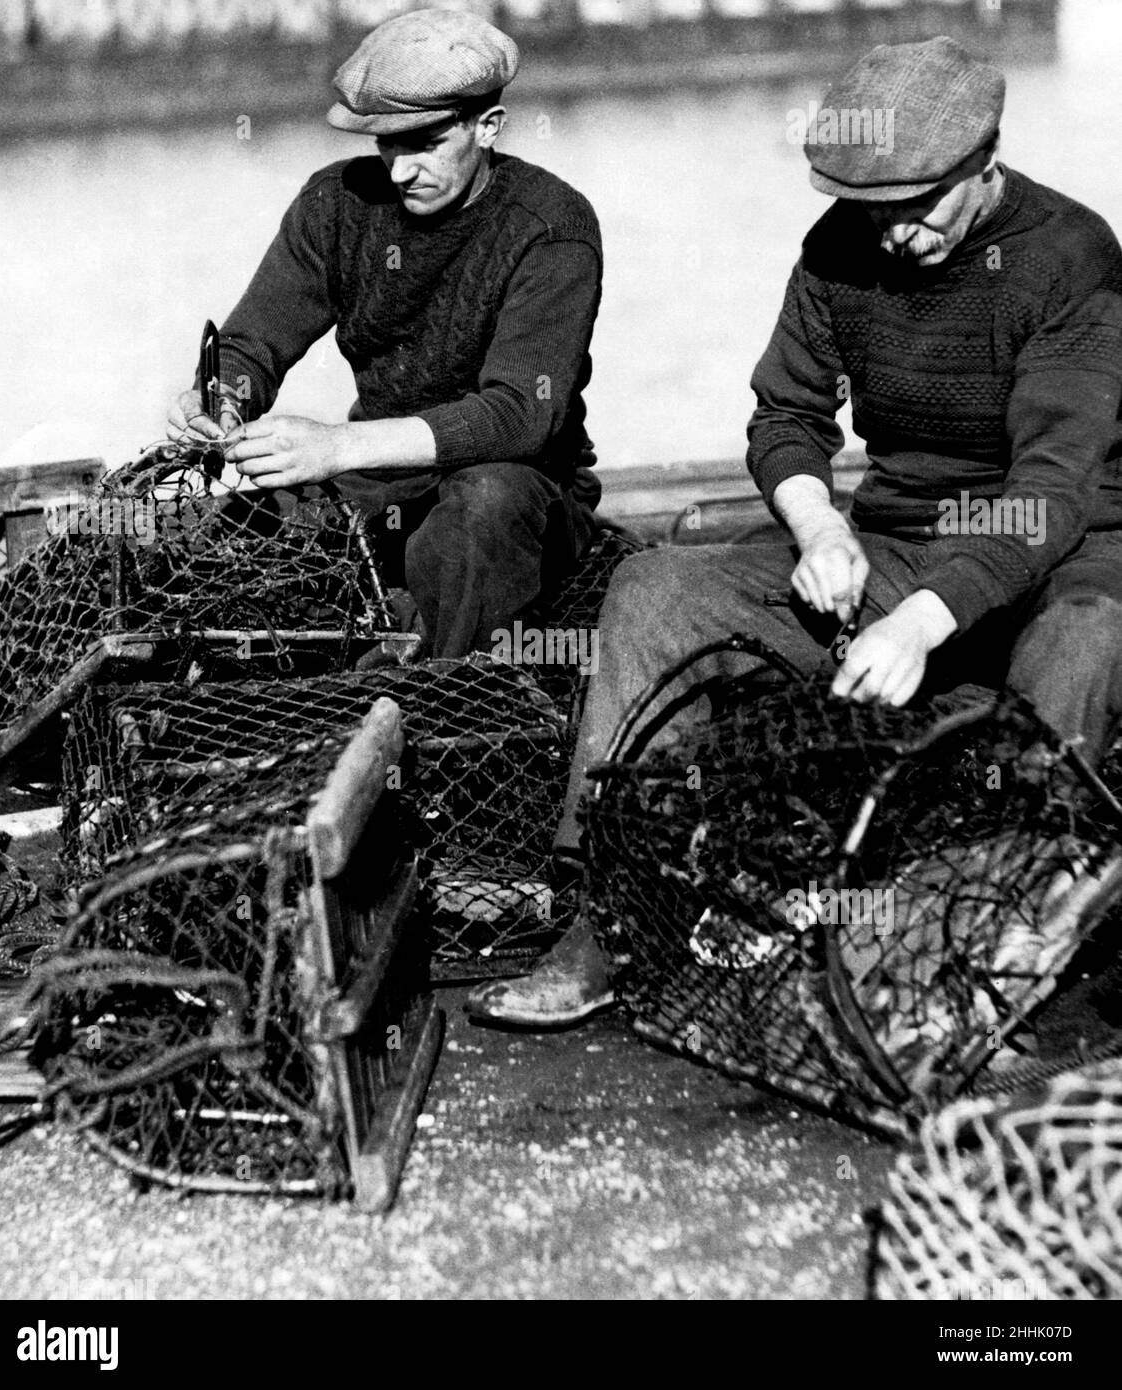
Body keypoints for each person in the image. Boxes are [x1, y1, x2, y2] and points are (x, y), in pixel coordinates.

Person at [467, 34, 1122, 1029]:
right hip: (896, 538)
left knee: (1080, 654)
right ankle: (611, 908)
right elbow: (787, 417)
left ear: (986, 165)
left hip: (1068, 553)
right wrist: (818, 526)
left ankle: (999, 935)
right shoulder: (839, 248)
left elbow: (1046, 492)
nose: (893, 237)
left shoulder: (1072, 258)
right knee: (654, 592)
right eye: (874, 213)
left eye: (919, 210)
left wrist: (921, 623)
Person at [166, 8, 603, 659]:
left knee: (482, 502)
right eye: (385, 146)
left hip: (524, 490)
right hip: (378, 486)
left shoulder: (551, 228)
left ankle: (456, 705)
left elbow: (521, 415)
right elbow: (250, 344)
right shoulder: (334, 204)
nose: (400, 173)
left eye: (425, 143)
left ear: (488, 127)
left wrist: (338, 446)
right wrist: (219, 400)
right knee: (206, 534)